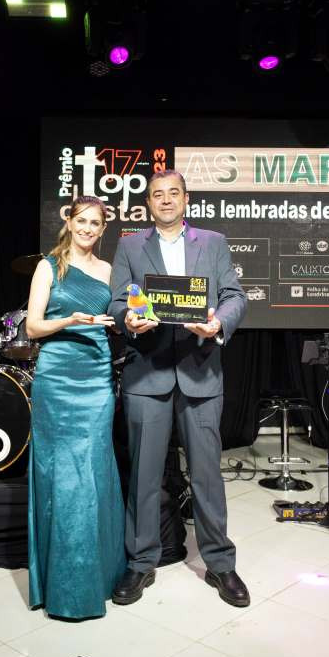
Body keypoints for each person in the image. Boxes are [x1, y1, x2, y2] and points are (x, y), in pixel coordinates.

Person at [108, 170, 250, 608]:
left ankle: (220, 563)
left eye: (173, 193)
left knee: (207, 474)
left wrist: (218, 322)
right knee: (144, 475)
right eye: (158, 194)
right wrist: (128, 319)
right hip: (146, 374)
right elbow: (117, 301)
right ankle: (140, 562)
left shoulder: (214, 242)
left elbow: (234, 295)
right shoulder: (130, 245)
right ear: (148, 204)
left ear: (186, 199)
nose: (166, 200)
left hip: (200, 373)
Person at [25, 195, 126, 619]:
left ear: (103, 229)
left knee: (92, 468)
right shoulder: (48, 266)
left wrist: (131, 320)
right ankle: (65, 584)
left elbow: (121, 316)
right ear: (69, 222)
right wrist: (69, 320)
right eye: (81, 220)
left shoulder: (109, 270)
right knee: (61, 474)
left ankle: (97, 576)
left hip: (97, 378)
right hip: (56, 377)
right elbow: (32, 328)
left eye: (95, 223)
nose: (87, 228)